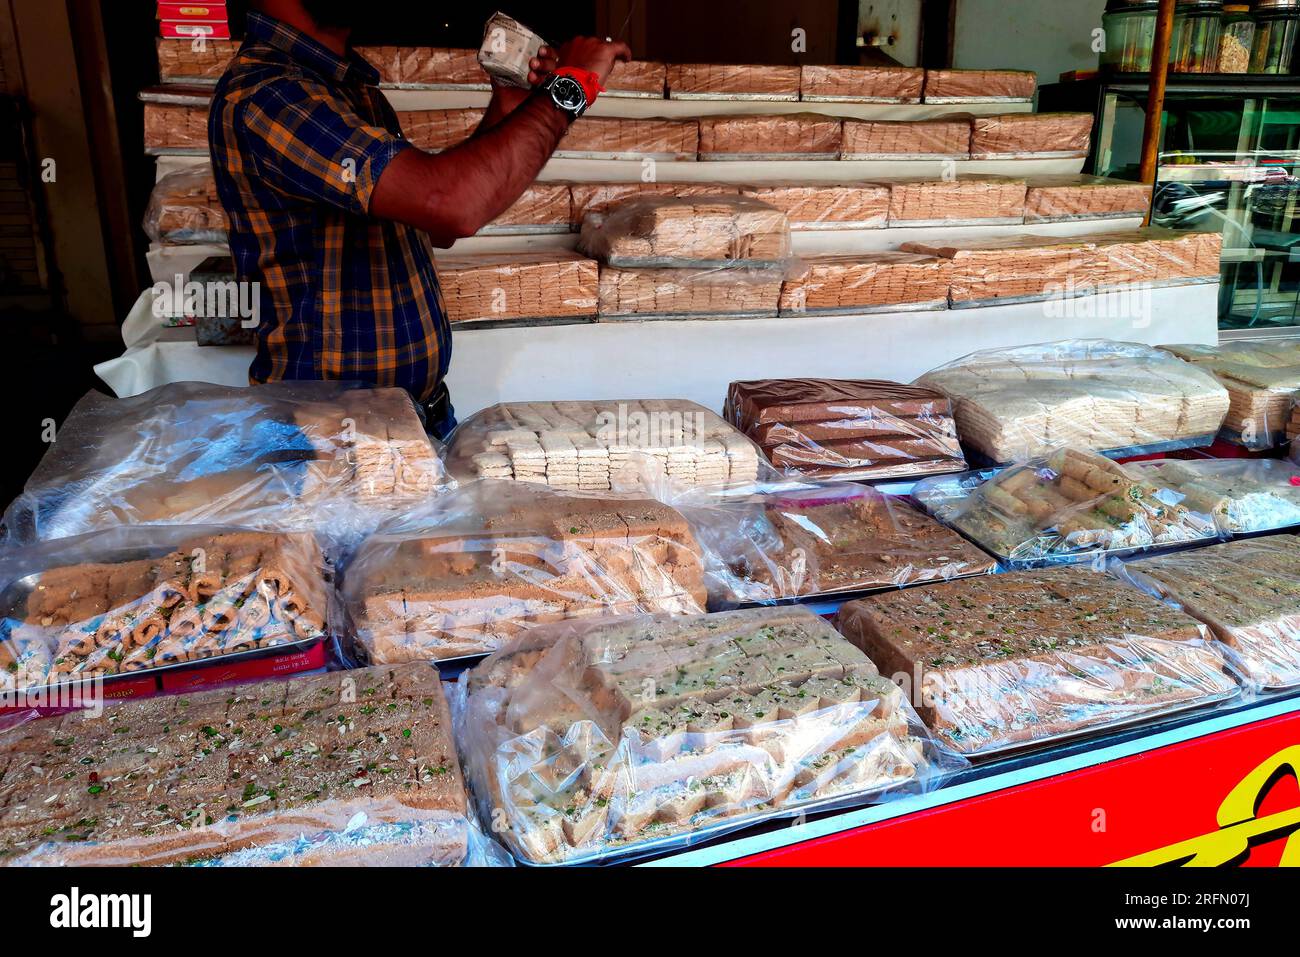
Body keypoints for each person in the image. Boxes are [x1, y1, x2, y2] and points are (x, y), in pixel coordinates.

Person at [209, 0, 630, 437]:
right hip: (335, 440)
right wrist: (570, 88)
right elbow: (452, 205)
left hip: (409, 420)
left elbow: (434, 225)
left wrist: (510, 106)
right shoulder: (271, 94)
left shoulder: (347, 88)